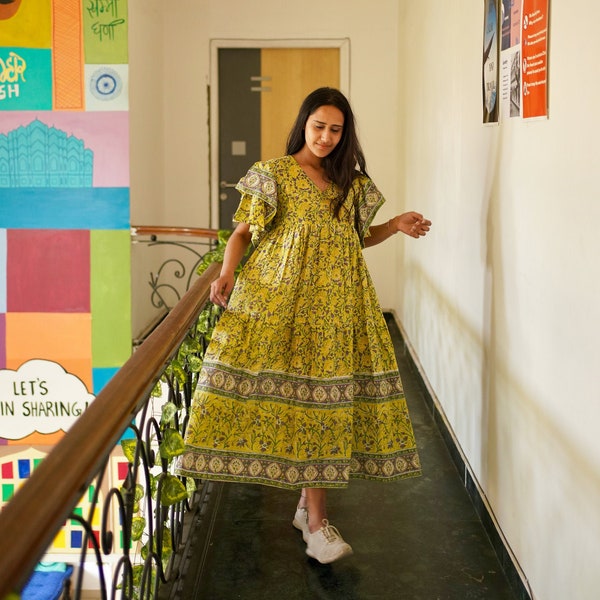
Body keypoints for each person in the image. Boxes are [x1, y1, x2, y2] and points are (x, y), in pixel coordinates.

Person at [177, 87, 431, 564]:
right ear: (303, 124)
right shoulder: (272, 175)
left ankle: (312, 520)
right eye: (319, 126)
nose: (326, 137)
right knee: (301, 403)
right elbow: (242, 233)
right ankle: (313, 521)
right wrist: (227, 272)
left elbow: (356, 237)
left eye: (336, 130)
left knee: (324, 406)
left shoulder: (350, 183)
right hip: (280, 302)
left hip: (337, 308)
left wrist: (394, 224)